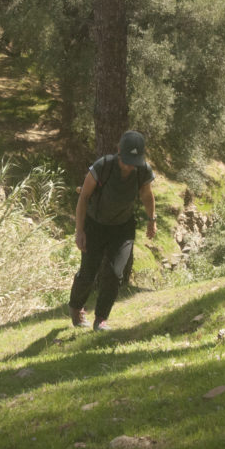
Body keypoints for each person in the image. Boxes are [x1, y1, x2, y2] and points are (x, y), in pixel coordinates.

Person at [68, 130, 156, 331]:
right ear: (118, 151)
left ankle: (100, 319)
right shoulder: (103, 166)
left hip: (123, 227)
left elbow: (147, 196)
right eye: (126, 160)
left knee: (115, 273)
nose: (129, 165)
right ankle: (75, 307)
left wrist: (152, 219)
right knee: (89, 273)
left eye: (133, 160)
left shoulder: (143, 171)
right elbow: (83, 198)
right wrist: (79, 231)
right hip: (95, 224)